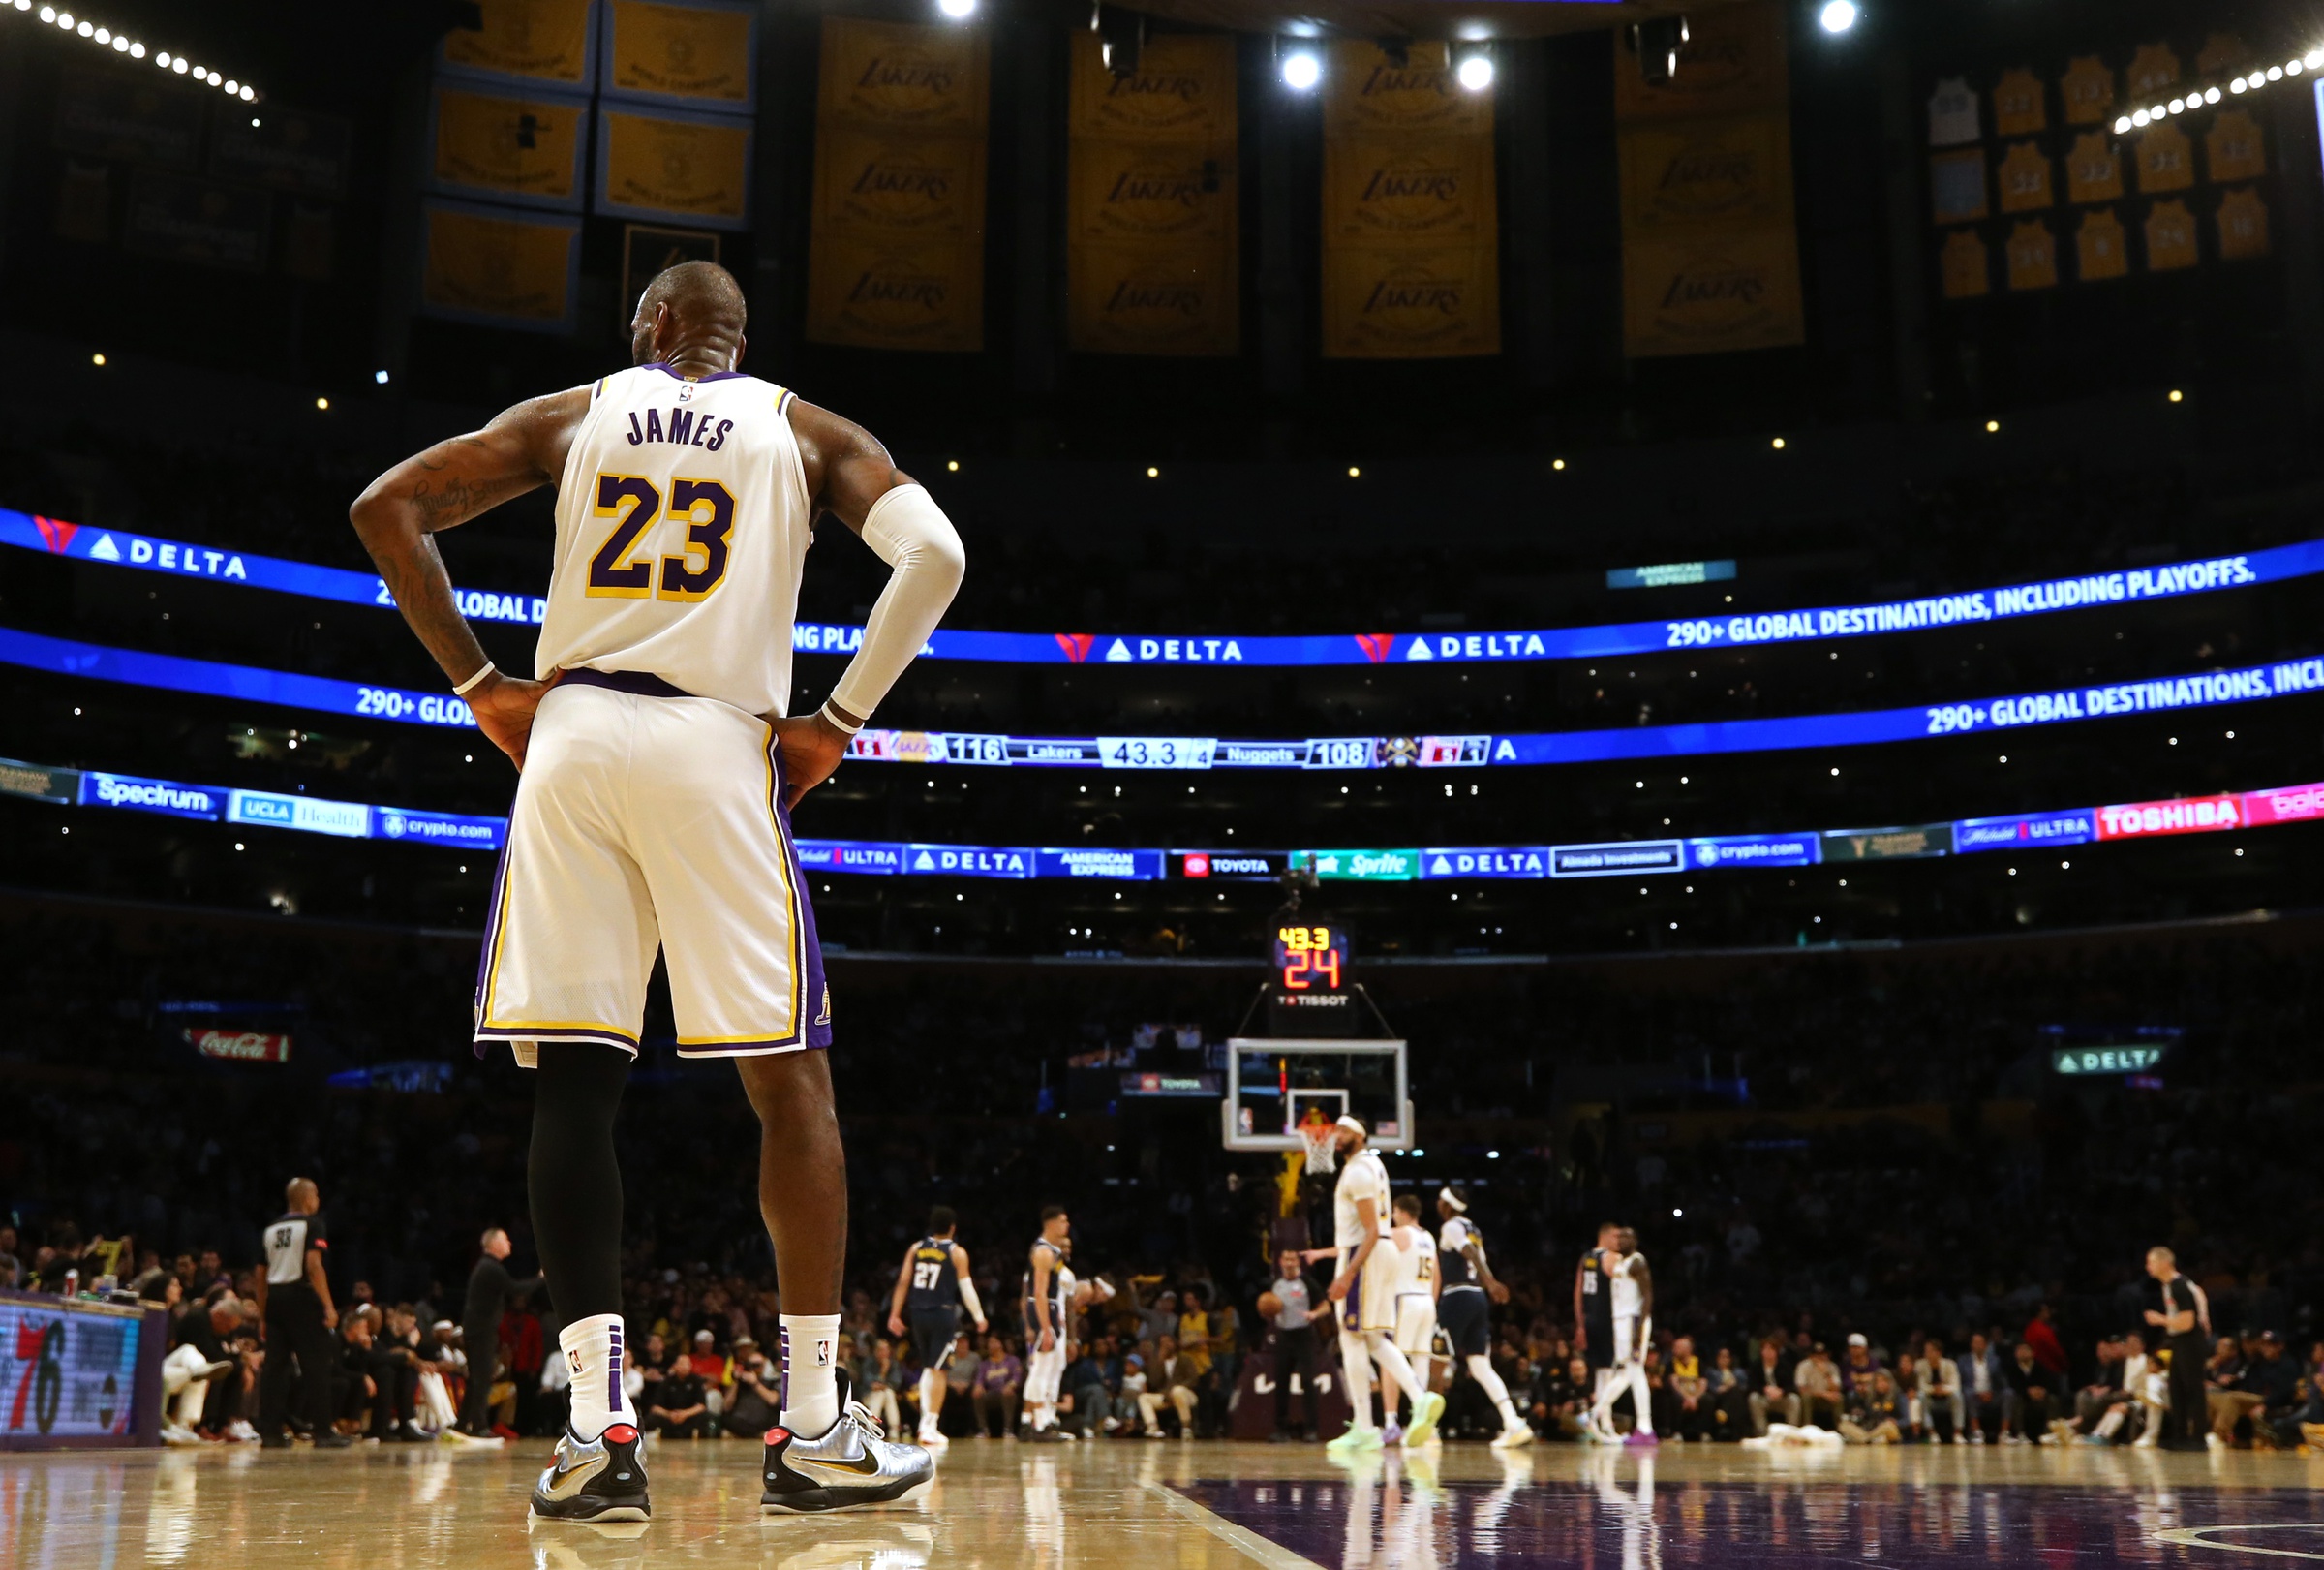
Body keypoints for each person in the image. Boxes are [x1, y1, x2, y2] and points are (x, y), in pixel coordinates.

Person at [351, 262, 961, 1520]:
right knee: (789, 1080)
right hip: (714, 746)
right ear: (738, 342)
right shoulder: (806, 429)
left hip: (570, 736)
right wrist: (838, 720)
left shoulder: (576, 412)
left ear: (651, 327)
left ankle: (597, 1434)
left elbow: (385, 508)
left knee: (577, 1082)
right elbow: (937, 557)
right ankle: (809, 1429)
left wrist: (480, 685)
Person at [1318, 1117, 1426, 1453]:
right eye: (1336, 1131)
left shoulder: (1359, 1172)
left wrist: (1347, 1273)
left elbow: (1370, 1231)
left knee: (1351, 1336)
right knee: (1369, 1335)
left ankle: (1366, 1426)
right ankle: (1419, 1400)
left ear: (1361, 1135)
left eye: (1345, 1131)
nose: (1338, 1136)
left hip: (1364, 1254)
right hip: (1377, 1252)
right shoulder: (1373, 1165)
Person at [255, 1178, 347, 1449]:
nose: (318, 1200)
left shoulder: (270, 1229)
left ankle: (270, 1432)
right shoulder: (313, 1224)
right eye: (316, 1194)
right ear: (307, 1198)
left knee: (274, 1368)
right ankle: (323, 1433)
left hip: (275, 1300)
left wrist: (263, 1314)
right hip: (303, 1299)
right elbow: (314, 1265)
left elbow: (260, 1275)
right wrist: (328, 1305)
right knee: (316, 1365)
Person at [1435, 1187, 1530, 1448]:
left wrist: (1490, 1282)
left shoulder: (1451, 1227)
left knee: (1436, 1358)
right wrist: (1487, 1284)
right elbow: (1478, 1257)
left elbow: (1469, 1253)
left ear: (1447, 1205)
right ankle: (1512, 1421)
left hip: (1458, 1296)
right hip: (1477, 1299)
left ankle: (1427, 1429)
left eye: (1440, 1200)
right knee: (1479, 1365)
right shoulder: (1474, 1229)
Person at [886, 1205, 987, 1449]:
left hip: (918, 1314)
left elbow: (902, 1283)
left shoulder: (916, 1248)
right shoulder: (956, 1252)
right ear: (952, 1227)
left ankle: (925, 1424)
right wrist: (979, 1316)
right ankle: (930, 1425)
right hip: (942, 1314)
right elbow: (966, 1288)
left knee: (929, 1368)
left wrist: (894, 1314)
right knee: (939, 1370)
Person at [454, 1228, 540, 1443]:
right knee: (482, 1380)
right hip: (482, 1331)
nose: (509, 1243)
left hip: (477, 1329)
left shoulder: (487, 1267)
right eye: (505, 1239)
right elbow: (516, 1289)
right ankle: (479, 1426)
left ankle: (462, 1424)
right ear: (494, 1244)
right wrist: (541, 1278)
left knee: (476, 1379)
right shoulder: (491, 1268)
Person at [1586, 1225, 1655, 1447]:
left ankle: (1645, 1427)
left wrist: (1639, 1331)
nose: (1621, 1240)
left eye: (1627, 1236)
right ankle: (1594, 1414)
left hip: (1634, 1321)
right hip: (1620, 1323)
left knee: (1635, 1371)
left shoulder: (1637, 1261)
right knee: (1626, 1373)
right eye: (1619, 1236)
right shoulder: (1619, 1263)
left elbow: (1647, 1296)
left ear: (1635, 1241)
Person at [2145, 1246, 2211, 1451]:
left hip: (2189, 1338)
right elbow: (2199, 1297)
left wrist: (2160, 1319)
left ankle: (2199, 1439)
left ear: (2165, 1263)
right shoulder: (2174, 1285)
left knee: (2193, 1389)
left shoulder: (2178, 1285)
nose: (2148, 1267)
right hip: (2181, 1340)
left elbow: (2188, 1322)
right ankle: (2180, 1436)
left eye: (2151, 1262)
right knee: (2177, 1389)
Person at [1266, 1249, 1330, 1440]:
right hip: (1283, 1335)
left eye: (1293, 1259)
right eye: (1286, 1259)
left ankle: (1311, 1429)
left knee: (1308, 1382)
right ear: (1280, 1262)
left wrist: (1314, 1315)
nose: (1289, 1262)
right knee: (1281, 1382)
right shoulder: (1276, 1285)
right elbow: (1270, 1306)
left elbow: (1325, 1306)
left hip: (1304, 1336)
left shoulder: (1307, 1282)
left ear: (1298, 1262)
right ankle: (1280, 1429)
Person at [1022, 1207, 1073, 1441]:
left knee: (1050, 1367)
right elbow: (1039, 1293)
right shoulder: (1043, 1252)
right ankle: (1036, 1422)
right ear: (1050, 1224)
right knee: (1041, 1368)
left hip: (1051, 1308)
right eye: (1063, 1221)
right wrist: (1045, 1326)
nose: (1067, 1225)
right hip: (1043, 1308)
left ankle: (1043, 1420)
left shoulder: (1053, 1251)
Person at [1575, 1222, 1620, 1413]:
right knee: (1614, 1372)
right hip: (1607, 1319)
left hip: (1589, 1319)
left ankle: (1604, 1424)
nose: (1619, 1242)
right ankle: (1599, 1416)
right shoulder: (1613, 1258)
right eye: (1617, 1237)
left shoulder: (1586, 1258)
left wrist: (1580, 1324)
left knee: (1602, 1372)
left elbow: (1577, 1292)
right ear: (1607, 1236)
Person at [1957, 1332, 2006, 1443]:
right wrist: (1978, 1393)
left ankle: (2004, 1433)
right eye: (1975, 1343)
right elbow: (1961, 1383)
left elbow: (2001, 1382)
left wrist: (1991, 1392)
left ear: (1985, 1345)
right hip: (1973, 1395)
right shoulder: (1963, 1361)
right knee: (1968, 1393)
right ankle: (1976, 1432)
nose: (1978, 1345)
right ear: (1971, 1345)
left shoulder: (1995, 1360)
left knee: (2009, 1393)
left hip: (1992, 1395)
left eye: (1981, 1343)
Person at [1748, 1337, 1798, 1435]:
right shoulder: (1756, 1366)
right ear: (1761, 1351)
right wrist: (1765, 1389)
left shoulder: (1785, 1365)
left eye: (1771, 1349)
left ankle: (1792, 1433)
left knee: (1794, 1399)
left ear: (1776, 1351)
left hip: (1781, 1398)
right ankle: (1762, 1432)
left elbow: (1792, 1386)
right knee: (1753, 1398)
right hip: (1764, 1398)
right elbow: (1751, 1385)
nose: (1768, 1352)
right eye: (1765, 1349)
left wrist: (1781, 1391)